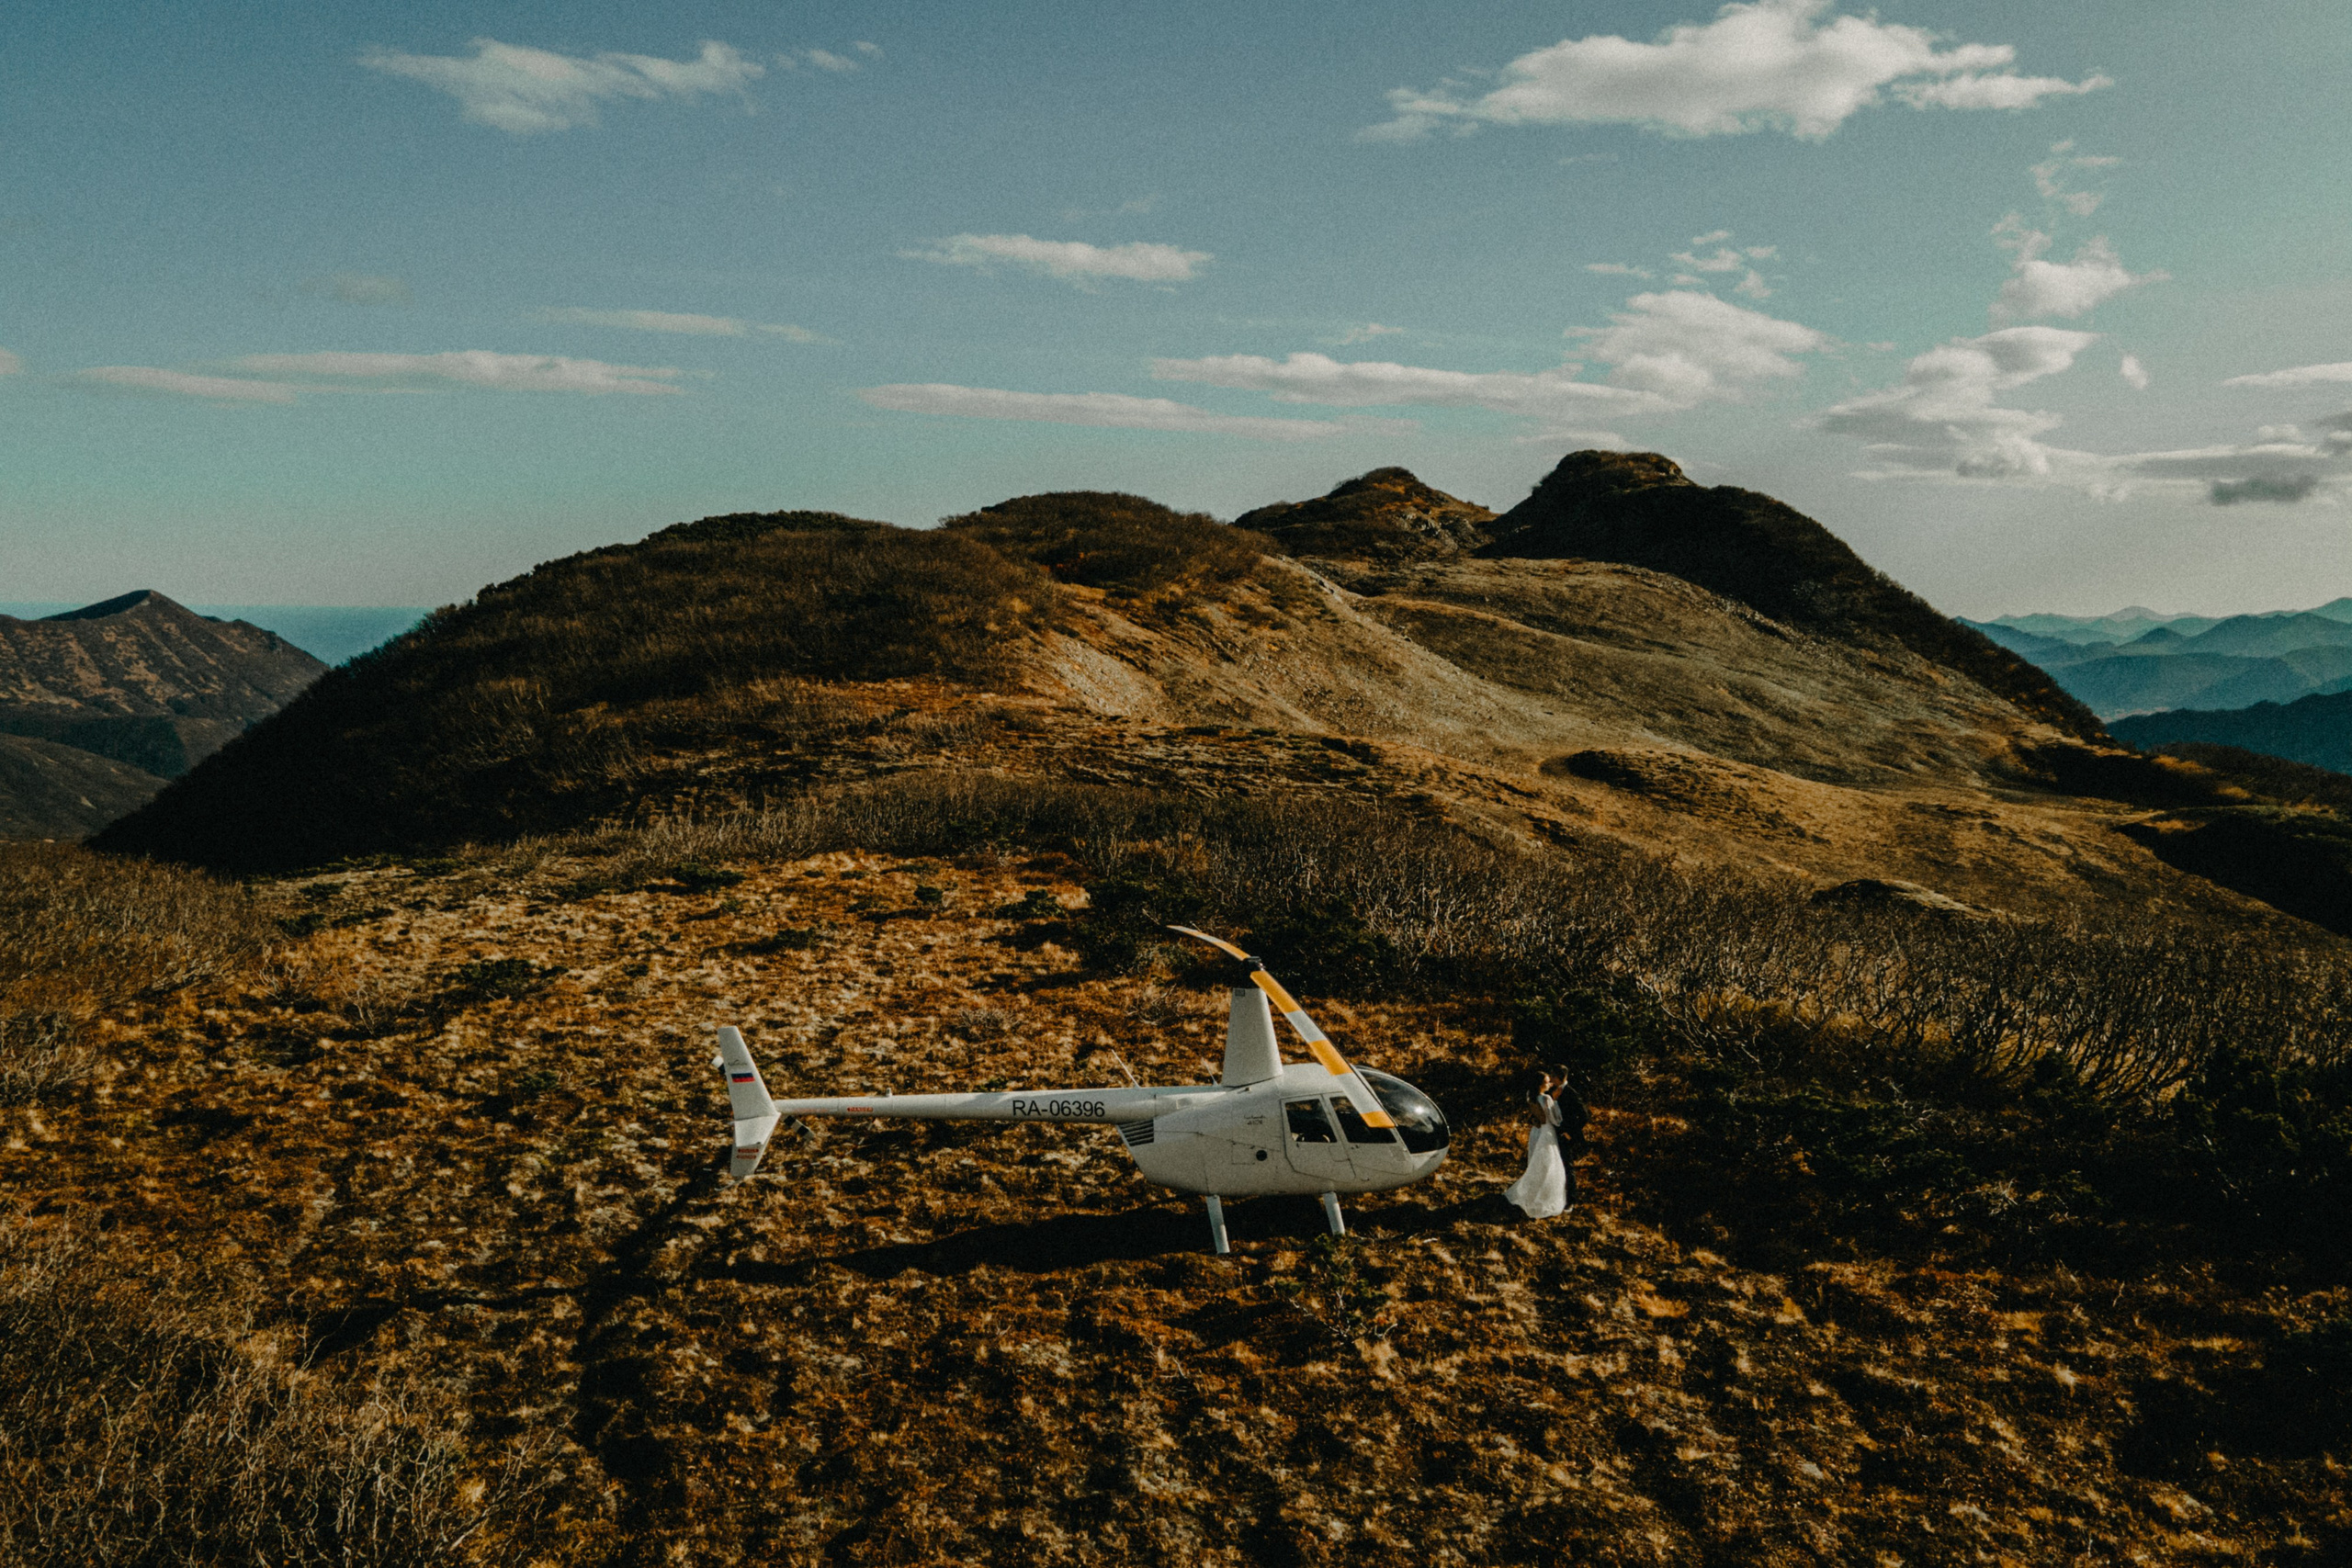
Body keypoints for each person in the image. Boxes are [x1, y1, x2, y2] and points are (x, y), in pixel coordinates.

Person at [1503, 1068, 1571, 1218]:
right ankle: (1543, 1198)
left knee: (1537, 1164)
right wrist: (1555, 1101)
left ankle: (1532, 1194)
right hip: (1546, 1133)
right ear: (1541, 1084)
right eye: (1547, 1082)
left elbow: (1536, 1117)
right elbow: (1552, 1120)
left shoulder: (1530, 1096)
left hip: (1535, 1132)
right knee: (1550, 1166)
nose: (1550, 1084)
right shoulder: (1546, 1098)